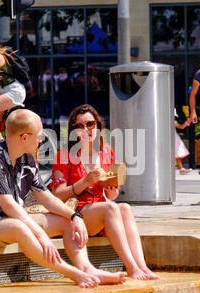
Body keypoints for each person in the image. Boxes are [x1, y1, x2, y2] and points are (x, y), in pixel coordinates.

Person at [0, 108, 127, 288]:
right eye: (38, 135)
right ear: (24, 138)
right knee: (19, 226)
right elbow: (10, 206)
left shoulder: (26, 159)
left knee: (66, 221)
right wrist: (41, 235)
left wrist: (74, 216)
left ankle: (87, 268)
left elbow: (46, 198)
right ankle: (73, 273)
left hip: (8, 218)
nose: (41, 140)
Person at [50, 104, 159, 280]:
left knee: (124, 207)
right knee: (111, 208)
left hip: (101, 212)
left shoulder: (107, 152)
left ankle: (142, 266)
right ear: (73, 130)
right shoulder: (64, 155)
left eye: (90, 124)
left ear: (98, 126)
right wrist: (85, 182)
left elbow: (110, 193)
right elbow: (57, 194)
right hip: (76, 213)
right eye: (79, 126)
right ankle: (131, 268)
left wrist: (112, 193)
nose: (85, 129)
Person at [174, 109, 191, 174]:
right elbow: (181, 127)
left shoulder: (174, 122)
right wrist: (187, 122)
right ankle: (181, 168)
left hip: (174, 137)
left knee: (177, 152)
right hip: (173, 137)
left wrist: (187, 122)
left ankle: (181, 168)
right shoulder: (173, 122)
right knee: (177, 152)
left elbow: (181, 127)